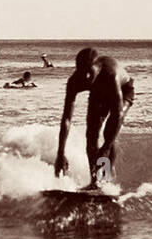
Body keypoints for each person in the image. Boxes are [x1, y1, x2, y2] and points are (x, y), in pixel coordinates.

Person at [54, 47, 135, 188]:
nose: (85, 76)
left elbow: (118, 115)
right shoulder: (75, 81)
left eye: (89, 72)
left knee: (108, 135)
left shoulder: (110, 74)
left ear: (97, 66)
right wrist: (60, 153)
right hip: (98, 94)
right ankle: (95, 182)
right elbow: (67, 118)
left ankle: (106, 178)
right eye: (81, 71)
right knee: (91, 136)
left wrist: (106, 147)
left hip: (124, 90)